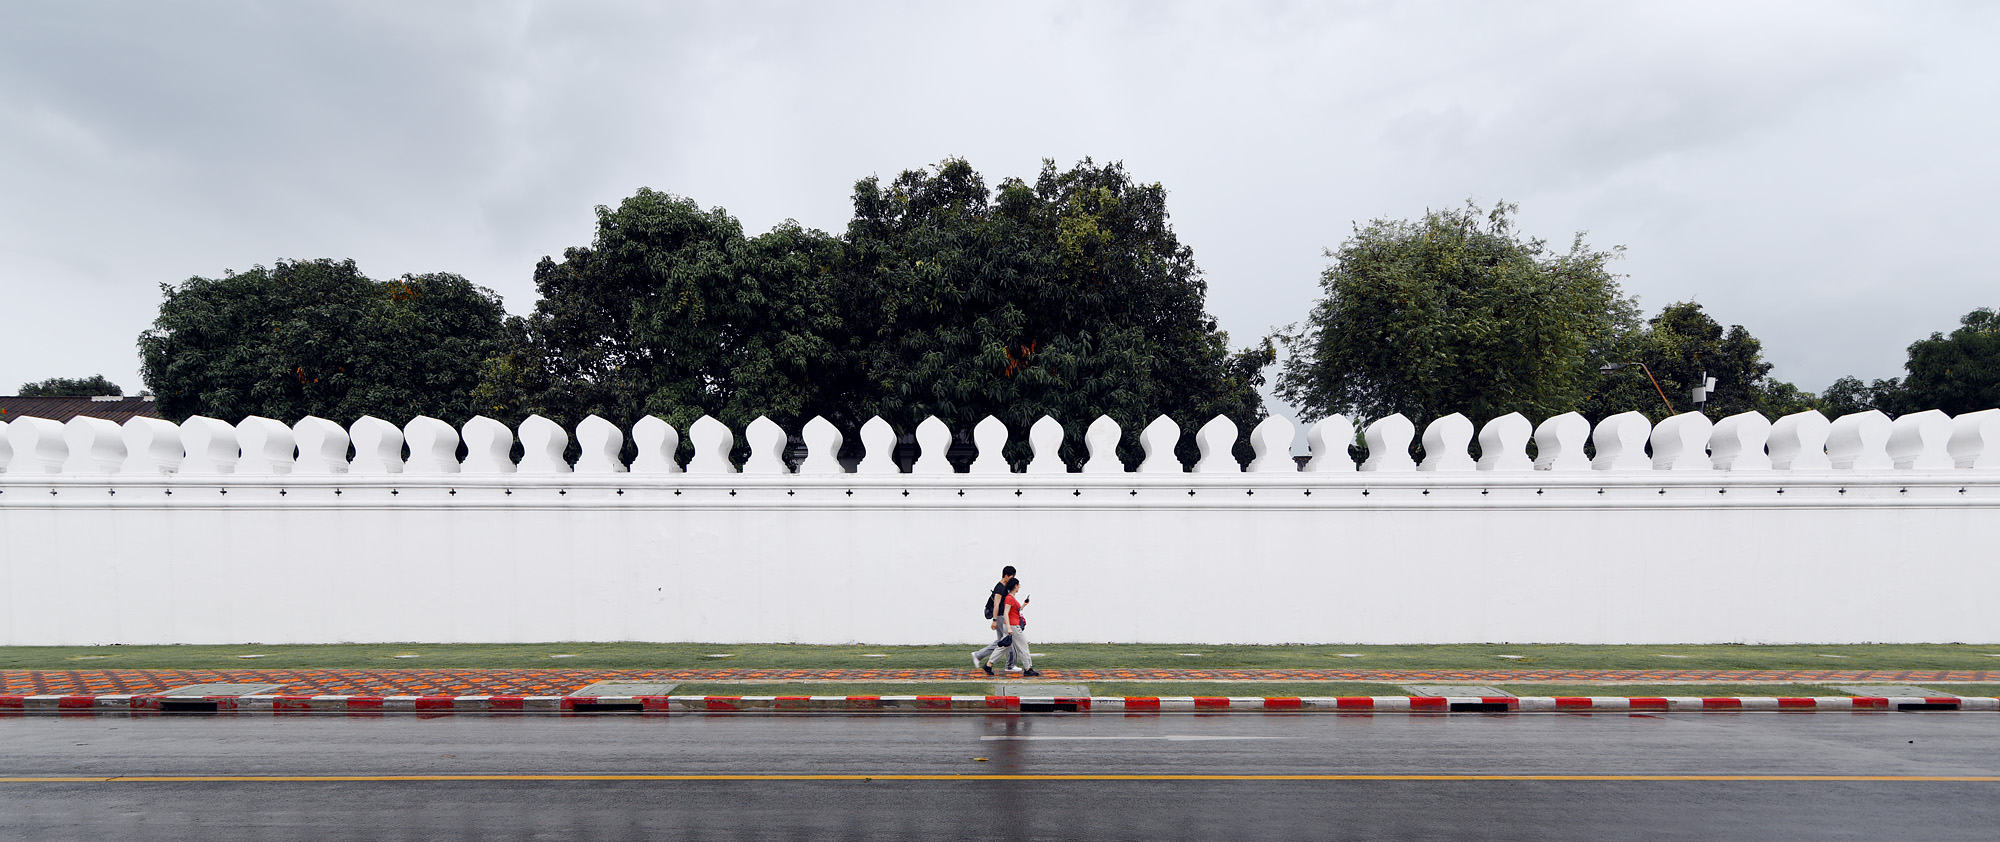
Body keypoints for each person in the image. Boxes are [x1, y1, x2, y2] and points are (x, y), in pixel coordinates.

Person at [972, 566, 1015, 675]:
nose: (1012, 579)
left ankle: (1010, 664)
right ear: (1006, 576)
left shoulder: (1004, 586)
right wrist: (995, 620)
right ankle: (979, 655)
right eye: (1011, 577)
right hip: (1000, 616)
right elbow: (996, 604)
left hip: (1002, 616)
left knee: (1006, 640)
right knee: (1003, 640)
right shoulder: (999, 588)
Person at [993, 578, 1038, 677]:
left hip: (1012, 625)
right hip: (1013, 626)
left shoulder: (1011, 598)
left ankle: (989, 664)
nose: (1019, 587)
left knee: (1003, 647)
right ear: (1015, 586)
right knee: (1023, 647)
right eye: (1018, 585)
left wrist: (1023, 605)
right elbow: (1006, 613)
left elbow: (1015, 611)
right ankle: (1027, 669)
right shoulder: (1009, 598)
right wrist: (1009, 628)